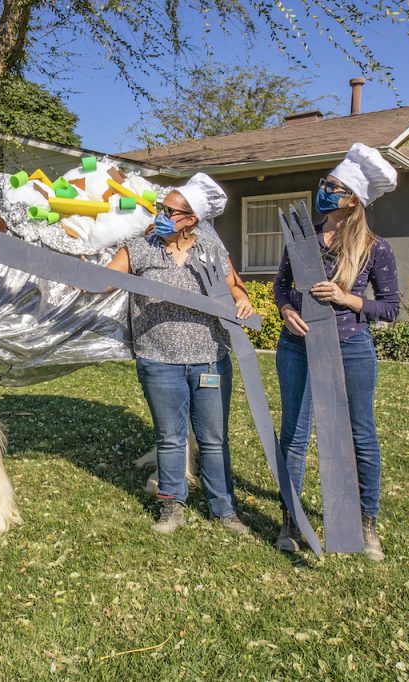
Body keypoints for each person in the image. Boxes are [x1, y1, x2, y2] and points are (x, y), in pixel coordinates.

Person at [106, 173, 254, 534]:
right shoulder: (139, 248)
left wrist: (242, 299)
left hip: (209, 358)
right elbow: (104, 278)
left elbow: (233, 284)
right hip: (158, 360)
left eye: (168, 211)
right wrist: (73, 275)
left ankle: (224, 510)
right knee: (170, 437)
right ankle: (171, 508)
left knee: (214, 438)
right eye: (159, 207)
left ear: (191, 220)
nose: (159, 214)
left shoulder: (211, 249)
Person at [273, 143, 400, 560]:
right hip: (297, 346)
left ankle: (366, 526)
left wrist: (349, 299)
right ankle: (291, 521)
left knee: (360, 435)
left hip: (350, 347)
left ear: (353, 200)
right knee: (294, 433)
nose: (324, 190)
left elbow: (391, 307)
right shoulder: (301, 236)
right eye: (325, 183)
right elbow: (280, 286)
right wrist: (287, 309)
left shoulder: (374, 248)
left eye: (334, 186)